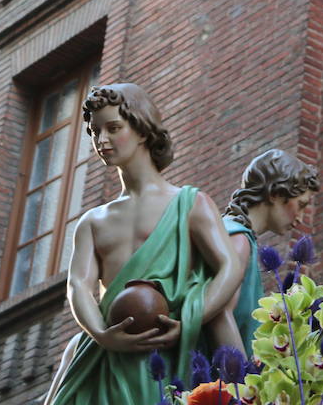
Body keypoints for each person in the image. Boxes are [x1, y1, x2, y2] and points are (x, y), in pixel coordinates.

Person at [44, 83, 244, 404]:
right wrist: (102, 335)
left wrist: (190, 320)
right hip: (108, 360)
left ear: (142, 130)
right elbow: (78, 286)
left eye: (113, 128)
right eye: (95, 131)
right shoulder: (93, 221)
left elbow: (230, 267)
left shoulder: (189, 203)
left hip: (173, 353)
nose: (101, 140)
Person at [206, 149, 320, 357]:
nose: (301, 217)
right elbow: (220, 314)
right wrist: (243, 381)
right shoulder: (238, 239)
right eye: (301, 205)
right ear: (275, 194)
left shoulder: (234, 234)